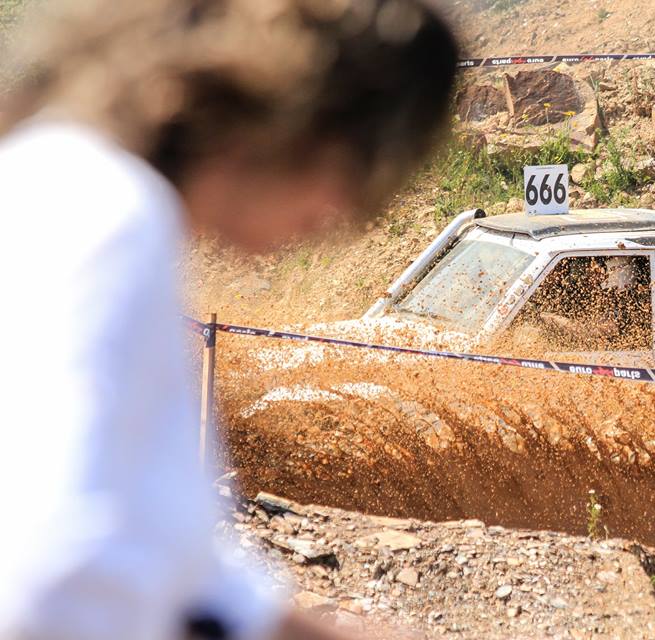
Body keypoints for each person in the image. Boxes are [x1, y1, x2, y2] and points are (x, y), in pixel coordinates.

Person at [0, 1, 458, 639]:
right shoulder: (109, 217)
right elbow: (51, 580)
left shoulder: (70, 185)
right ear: (295, 116)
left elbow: (177, 561)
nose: (341, 216)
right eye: (362, 171)